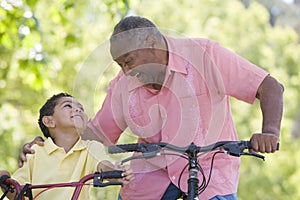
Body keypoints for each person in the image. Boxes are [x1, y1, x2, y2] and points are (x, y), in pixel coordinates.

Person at [19, 16, 283, 200]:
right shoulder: (123, 84)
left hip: (210, 167)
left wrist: (269, 132)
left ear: (152, 42)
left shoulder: (205, 54)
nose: (127, 72)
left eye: (129, 61)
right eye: (120, 65)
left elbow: (269, 87)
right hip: (152, 171)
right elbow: (97, 135)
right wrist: (49, 146)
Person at [0, 93, 134, 200]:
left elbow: (103, 165)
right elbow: (17, 193)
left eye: (81, 109)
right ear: (49, 121)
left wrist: (116, 171)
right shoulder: (36, 152)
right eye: (67, 106)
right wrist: (4, 181)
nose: (78, 110)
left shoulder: (91, 148)